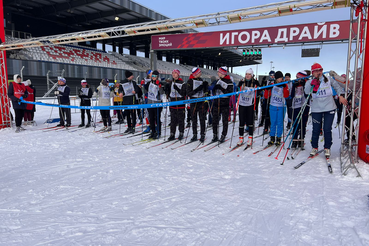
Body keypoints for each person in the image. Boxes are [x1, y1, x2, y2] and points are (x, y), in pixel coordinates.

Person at [305, 63, 347, 158]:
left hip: (329, 108)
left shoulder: (328, 79)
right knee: (316, 129)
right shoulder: (310, 81)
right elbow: (307, 92)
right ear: (313, 72)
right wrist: (312, 83)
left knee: (327, 129)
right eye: (316, 71)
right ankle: (314, 147)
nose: (318, 72)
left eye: (320, 70)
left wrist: (340, 96)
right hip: (316, 109)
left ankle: (327, 147)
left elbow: (337, 87)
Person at [264, 71, 289, 146]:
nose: (280, 79)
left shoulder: (284, 85)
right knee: (273, 122)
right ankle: (272, 138)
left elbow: (286, 96)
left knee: (280, 123)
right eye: (278, 78)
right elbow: (266, 96)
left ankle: (278, 138)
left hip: (281, 106)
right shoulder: (273, 85)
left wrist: (285, 87)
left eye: (281, 78)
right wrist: (267, 89)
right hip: (273, 106)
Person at [237, 68, 260, 146]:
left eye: (249, 74)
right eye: (246, 74)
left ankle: (250, 138)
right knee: (241, 122)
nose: (247, 76)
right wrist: (238, 85)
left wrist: (258, 85)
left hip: (250, 105)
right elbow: (237, 90)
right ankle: (241, 138)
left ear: (252, 75)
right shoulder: (242, 82)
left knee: (250, 122)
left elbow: (259, 92)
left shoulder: (254, 83)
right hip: (242, 104)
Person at [186, 67, 209, 142]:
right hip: (193, 102)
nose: (200, 73)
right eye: (199, 72)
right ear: (196, 73)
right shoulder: (190, 81)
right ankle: (194, 134)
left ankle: (202, 134)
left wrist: (206, 87)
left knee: (202, 119)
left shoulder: (201, 80)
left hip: (201, 102)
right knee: (194, 119)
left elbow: (205, 92)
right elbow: (189, 93)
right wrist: (198, 89)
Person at [211, 66, 233, 143]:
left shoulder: (229, 82)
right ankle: (215, 135)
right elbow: (213, 92)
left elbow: (230, 94)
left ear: (223, 73)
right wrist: (214, 88)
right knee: (215, 120)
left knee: (224, 121)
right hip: (217, 103)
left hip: (225, 104)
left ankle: (223, 135)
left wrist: (221, 88)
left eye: (219, 72)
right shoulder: (218, 80)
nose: (218, 73)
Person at [290, 71, 310, 149]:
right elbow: (291, 96)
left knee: (303, 124)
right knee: (295, 124)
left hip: (305, 106)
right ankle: (294, 140)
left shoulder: (307, 84)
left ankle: (301, 139)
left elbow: (307, 93)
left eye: (300, 78)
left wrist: (304, 85)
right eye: (297, 78)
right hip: (295, 106)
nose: (298, 80)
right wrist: (294, 87)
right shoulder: (294, 84)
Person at [166, 69, 186, 141]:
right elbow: (168, 92)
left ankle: (181, 132)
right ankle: (172, 133)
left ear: (178, 74)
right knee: (173, 119)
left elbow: (183, 94)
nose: (174, 74)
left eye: (175, 73)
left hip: (180, 103)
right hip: (173, 103)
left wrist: (177, 88)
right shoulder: (171, 82)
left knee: (181, 119)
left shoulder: (182, 83)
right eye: (173, 73)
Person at [144, 70, 165, 139]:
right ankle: (153, 132)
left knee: (157, 118)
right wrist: (143, 85)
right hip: (150, 103)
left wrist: (159, 86)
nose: (153, 77)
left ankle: (158, 132)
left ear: (157, 77)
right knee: (151, 118)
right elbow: (145, 90)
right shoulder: (149, 83)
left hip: (157, 103)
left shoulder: (159, 83)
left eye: (155, 76)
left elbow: (162, 92)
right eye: (152, 76)